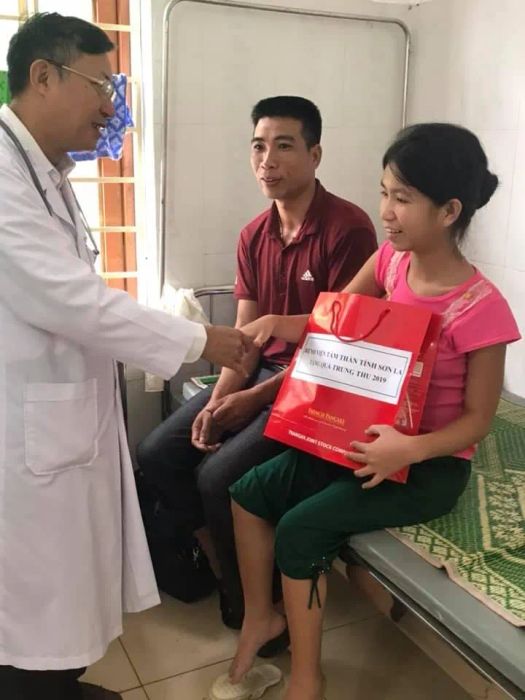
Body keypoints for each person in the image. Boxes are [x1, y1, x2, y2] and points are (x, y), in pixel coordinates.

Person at [0, 13, 249, 700]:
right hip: (25, 435)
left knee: (64, 588)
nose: (110, 107)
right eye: (99, 85)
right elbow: (68, 298)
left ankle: (54, 684)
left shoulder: (44, 172)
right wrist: (203, 340)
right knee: (36, 598)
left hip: (58, 418)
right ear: (42, 77)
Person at [227, 123, 521, 700]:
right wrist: (275, 324)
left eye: (402, 199)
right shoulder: (389, 262)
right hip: (364, 440)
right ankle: (261, 618)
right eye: (384, 192)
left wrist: (409, 448)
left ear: (449, 211)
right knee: (248, 493)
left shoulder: (481, 309)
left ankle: (308, 680)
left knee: (299, 530)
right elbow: (331, 318)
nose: (385, 211)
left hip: (429, 464)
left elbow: (478, 420)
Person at [137, 96, 377, 629]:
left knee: (218, 476)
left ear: (315, 154)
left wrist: (251, 400)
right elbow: (242, 342)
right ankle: (224, 564)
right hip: (265, 376)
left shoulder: (348, 229)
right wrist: (218, 402)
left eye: (284, 146)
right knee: (157, 453)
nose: (267, 160)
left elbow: (340, 344)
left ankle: (257, 607)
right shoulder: (253, 235)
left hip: (322, 383)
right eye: (258, 147)